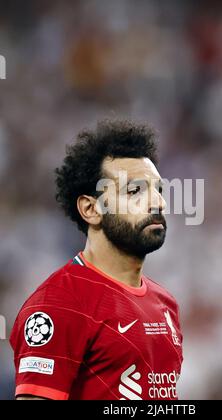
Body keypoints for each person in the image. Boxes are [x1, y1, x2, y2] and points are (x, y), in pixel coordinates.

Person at [10, 119, 183, 400]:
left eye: (158, 190)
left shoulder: (165, 304)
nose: (158, 203)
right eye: (135, 191)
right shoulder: (58, 306)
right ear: (91, 209)